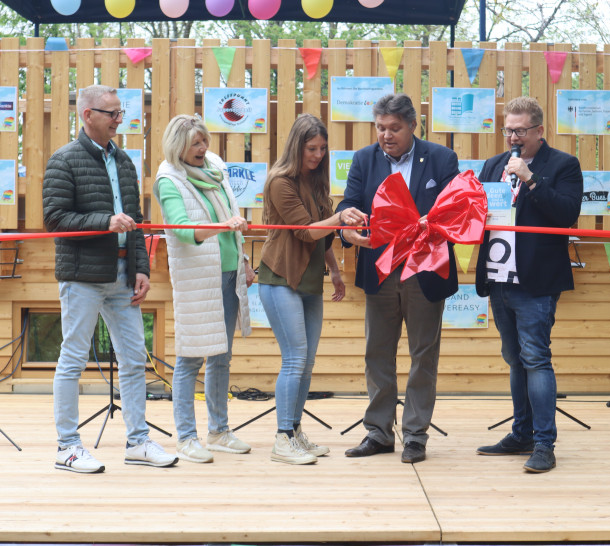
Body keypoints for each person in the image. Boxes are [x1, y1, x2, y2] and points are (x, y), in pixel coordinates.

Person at [43, 85, 178, 473]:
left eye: (120, 113)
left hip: (123, 275)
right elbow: (55, 219)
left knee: (135, 359)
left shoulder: (124, 162)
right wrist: (104, 222)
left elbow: (135, 221)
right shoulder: (63, 160)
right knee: (72, 359)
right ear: (87, 115)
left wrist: (141, 268)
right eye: (112, 113)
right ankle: (67, 447)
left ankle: (138, 442)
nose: (120, 120)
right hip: (82, 276)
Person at [337, 93, 460, 464]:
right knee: (377, 353)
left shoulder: (442, 158)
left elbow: (455, 208)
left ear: (412, 126)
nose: (386, 135)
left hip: (426, 270)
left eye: (394, 128)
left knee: (423, 354)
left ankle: (416, 436)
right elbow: (347, 205)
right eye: (380, 128)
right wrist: (347, 225)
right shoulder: (363, 159)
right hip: (380, 268)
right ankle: (378, 433)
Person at [474, 96, 583, 473]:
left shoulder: (563, 165)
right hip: (499, 276)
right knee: (514, 359)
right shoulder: (492, 165)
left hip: (535, 278)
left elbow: (567, 215)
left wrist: (530, 178)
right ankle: (520, 433)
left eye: (520, 131)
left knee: (536, 357)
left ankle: (544, 443)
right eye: (508, 130)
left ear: (539, 131)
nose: (513, 138)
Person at [258, 114, 367, 465]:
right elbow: (306, 231)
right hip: (280, 279)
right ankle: (282, 439)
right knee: (294, 359)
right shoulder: (280, 181)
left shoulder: (317, 181)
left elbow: (325, 235)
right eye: (311, 148)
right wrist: (342, 217)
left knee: (305, 364)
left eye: (322, 148)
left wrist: (334, 271)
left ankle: (295, 430)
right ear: (296, 146)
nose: (318, 155)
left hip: (309, 283)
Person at [153, 114, 255, 464]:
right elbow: (182, 231)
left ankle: (219, 431)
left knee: (221, 356)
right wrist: (222, 225)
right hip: (198, 279)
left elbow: (232, 216)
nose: (203, 148)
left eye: (204, 141)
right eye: (195, 143)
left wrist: (243, 262)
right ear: (177, 146)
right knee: (190, 358)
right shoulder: (168, 179)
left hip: (228, 273)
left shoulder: (215, 167)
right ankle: (185, 437)